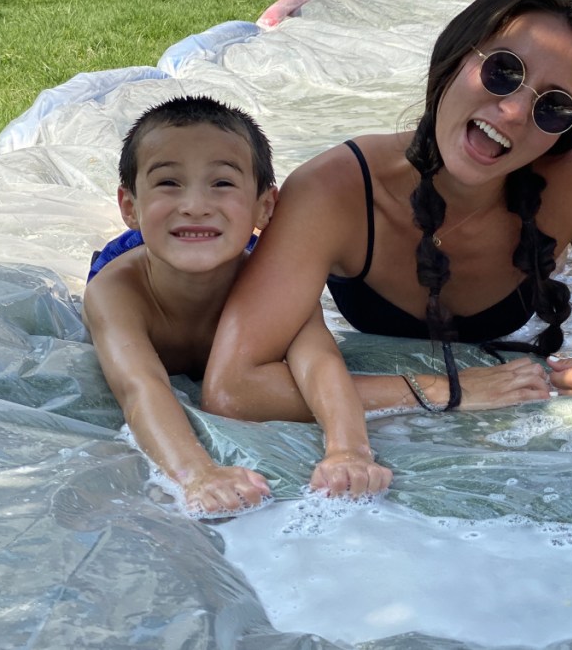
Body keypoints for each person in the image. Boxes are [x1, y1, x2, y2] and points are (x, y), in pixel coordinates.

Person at [201, 0, 572, 417]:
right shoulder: (334, 191)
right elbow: (232, 388)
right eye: (503, 71)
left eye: (552, 106)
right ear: (454, 56)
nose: (512, 112)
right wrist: (446, 390)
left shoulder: (569, 188)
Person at [82, 96, 391, 516]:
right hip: (142, 260)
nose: (195, 204)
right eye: (168, 183)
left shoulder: (275, 286)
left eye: (222, 183)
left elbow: (319, 361)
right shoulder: (115, 290)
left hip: (232, 254)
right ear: (129, 207)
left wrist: (348, 449)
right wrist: (196, 474)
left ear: (265, 207)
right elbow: (140, 388)